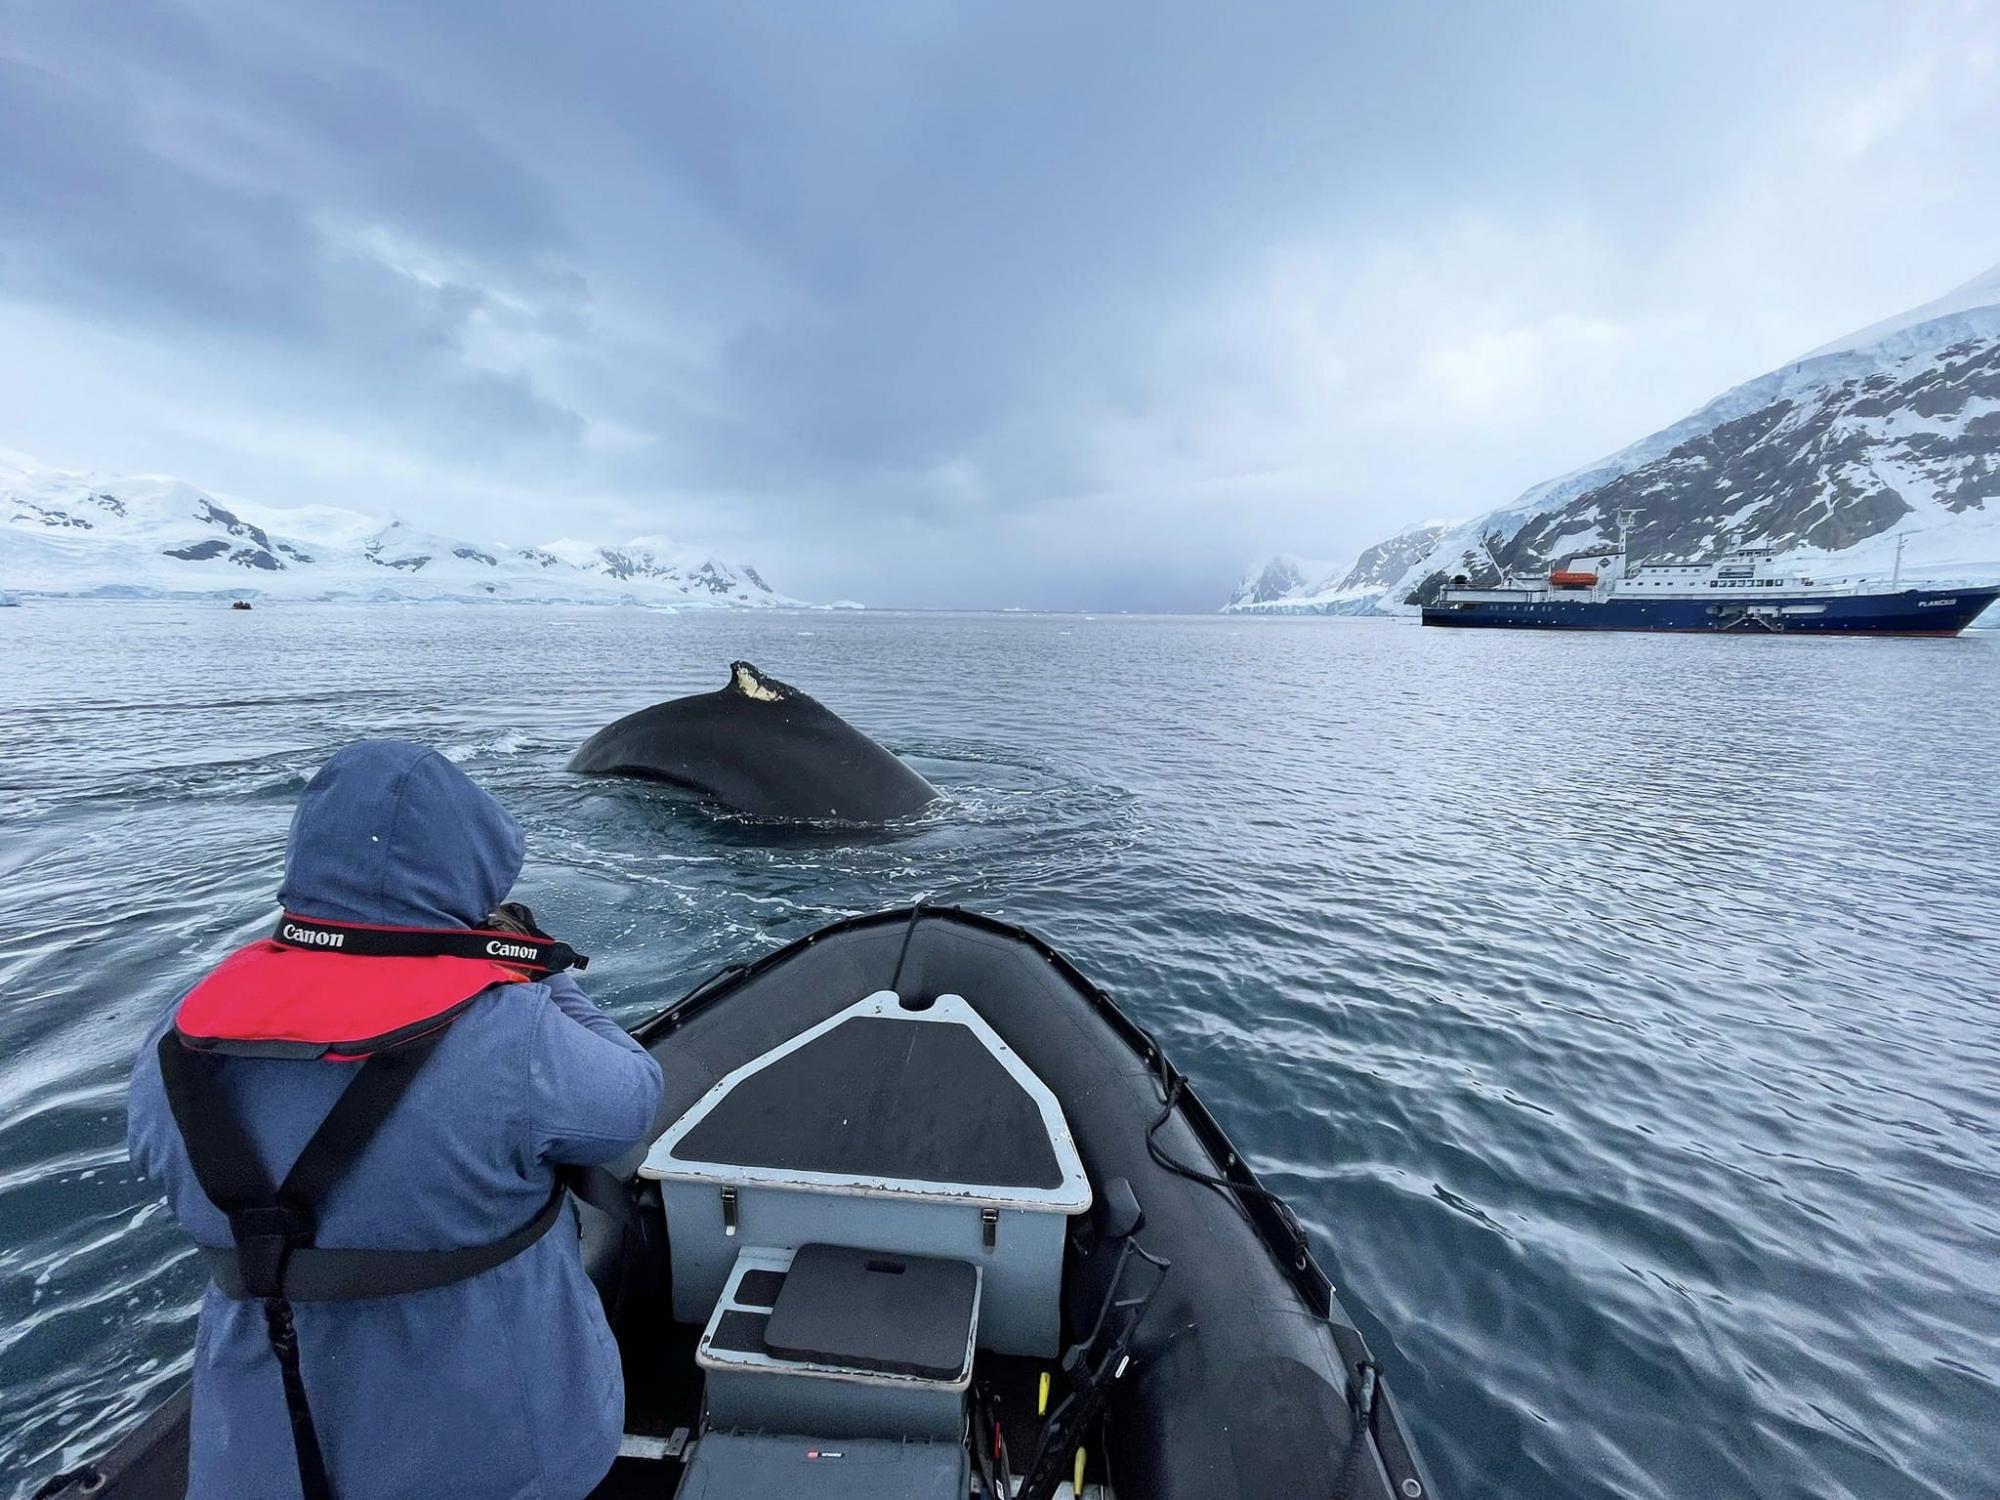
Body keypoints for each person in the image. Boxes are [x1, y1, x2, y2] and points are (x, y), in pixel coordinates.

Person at [127, 740, 664, 1500]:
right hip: (498, 1453)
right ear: (471, 861)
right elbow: (631, 1103)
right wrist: (532, 967)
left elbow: (156, 1166)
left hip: (255, 1449)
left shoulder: (178, 1031)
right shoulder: (516, 1033)